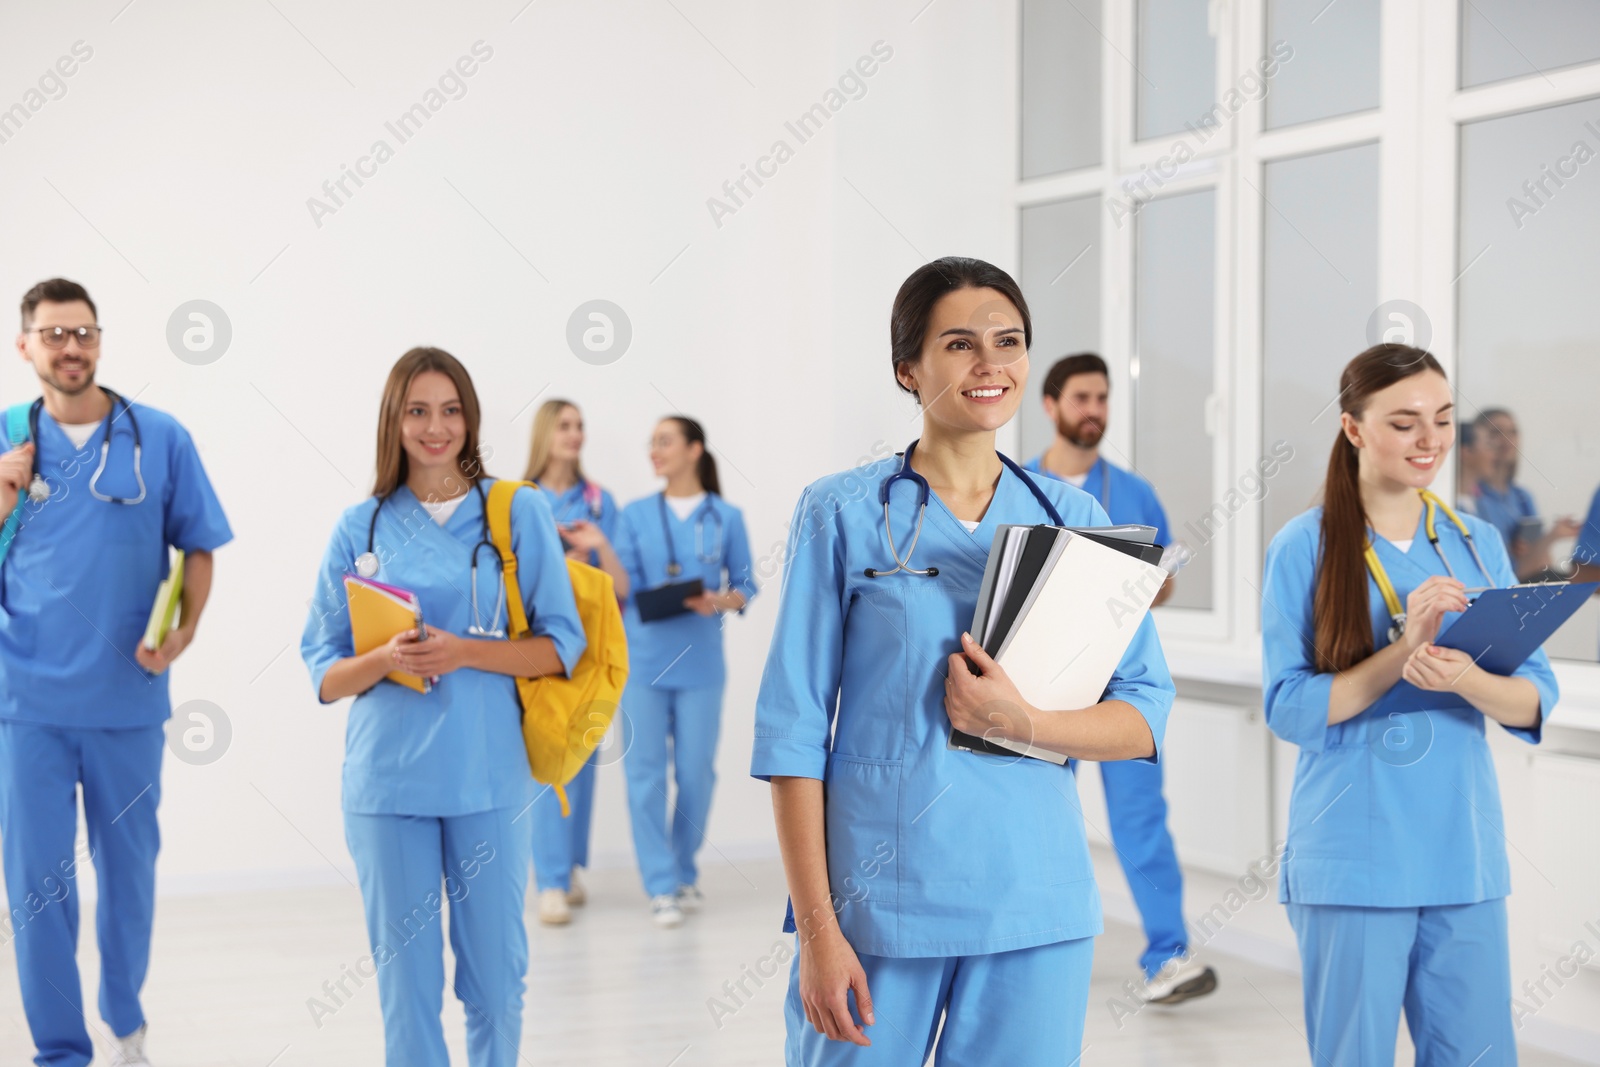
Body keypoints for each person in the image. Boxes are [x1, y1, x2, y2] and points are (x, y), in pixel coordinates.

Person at [753, 257, 1174, 1064]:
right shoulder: (840, 512)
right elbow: (791, 734)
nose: (991, 363)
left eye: (1008, 341)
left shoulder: (1075, 520)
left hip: (1035, 901)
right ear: (908, 368)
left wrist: (1024, 722)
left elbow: (1142, 713)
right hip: (880, 904)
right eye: (960, 343)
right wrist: (816, 931)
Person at [1262, 345, 1560, 1066]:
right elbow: (1289, 706)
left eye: (1442, 420)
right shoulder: (1304, 546)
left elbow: (1533, 696)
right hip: (1356, 858)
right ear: (1354, 428)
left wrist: (1460, 677)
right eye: (1404, 422)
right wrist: (1404, 649)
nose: (1430, 440)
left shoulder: (1474, 540)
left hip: (1464, 856)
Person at [300, 348, 585, 1067]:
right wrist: (385, 659)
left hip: (487, 778)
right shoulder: (358, 525)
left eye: (451, 409)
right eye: (418, 410)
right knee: (408, 987)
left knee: (495, 981)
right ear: (394, 421)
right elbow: (326, 675)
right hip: (387, 787)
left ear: (471, 418)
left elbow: (561, 647)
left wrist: (463, 652)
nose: (436, 427)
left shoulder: (515, 510)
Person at [0, 278, 233, 1067]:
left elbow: (198, 545)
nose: (71, 347)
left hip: (127, 701)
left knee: (128, 876)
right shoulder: (5, 442)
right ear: (24, 343)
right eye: (53, 333)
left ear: (99, 340)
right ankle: (61, 1052)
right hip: (24, 702)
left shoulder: (159, 437)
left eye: (84, 332)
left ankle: (125, 1014)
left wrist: (186, 628)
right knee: (37, 891)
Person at [1023, 351, 1214, 1004]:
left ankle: (1169, 954)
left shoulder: (1132, 491)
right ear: (1050, 405)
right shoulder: (1015, 487)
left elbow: (1164, 584)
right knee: (1034, 813)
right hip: (1039, 683)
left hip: (1121, 682)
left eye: (1102, 398)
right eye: (1081, 397)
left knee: (1140, 818)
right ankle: (1028, 941)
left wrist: (1146, 588)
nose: (1094, 410)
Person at [614, 416, 755, 927]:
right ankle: (660, 884)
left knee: (696, 771)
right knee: (644, 774)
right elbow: (623, 586)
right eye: (651, 442)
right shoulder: (633, 516)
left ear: (695, 449)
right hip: (644, 661)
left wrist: (721, 601)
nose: (655, 450)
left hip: (700, 663)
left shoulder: (726, 516)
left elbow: (745, 586)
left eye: (665, 441)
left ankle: (683, 868)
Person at [521, 398, 627, 926]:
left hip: (591, 647)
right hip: (539, 648)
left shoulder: (600, 501)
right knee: (547, 758)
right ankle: (551, 882)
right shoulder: (520, 499)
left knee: (582, 760)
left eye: (581, 425)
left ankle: (568, 867)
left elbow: (624, 586)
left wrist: (598, 548)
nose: (575, 434)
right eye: (564, 426)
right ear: (545, 433)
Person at [1470, 408, 1580, 580]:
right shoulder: (1473, 498)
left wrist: (1547, 540)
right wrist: (1549, 538)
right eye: (1496, 432)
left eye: (1512, 432)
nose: (1506, 439)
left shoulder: (1522, 497)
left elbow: (1542, 563)